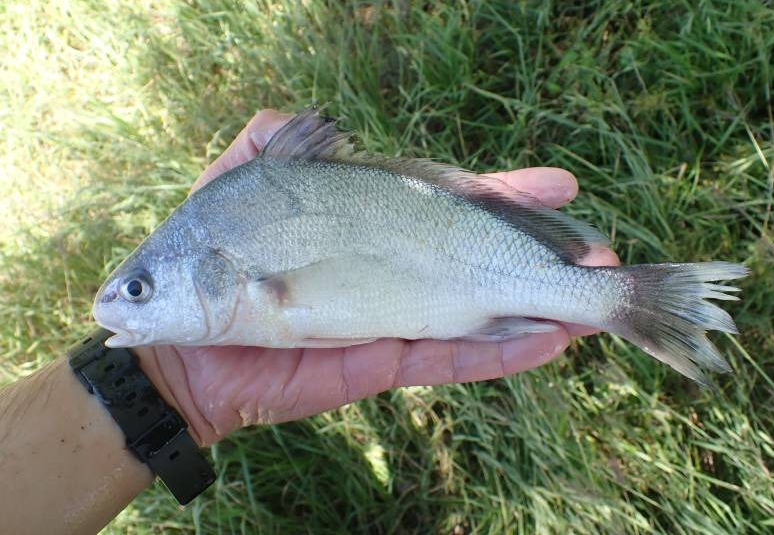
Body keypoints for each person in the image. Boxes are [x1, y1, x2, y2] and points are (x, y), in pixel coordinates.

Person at [0, 110, 619, 534]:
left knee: (580, 290)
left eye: (140, 289)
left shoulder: (234, 250)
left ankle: (622, 300)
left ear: (213, 268)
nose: (120, 307)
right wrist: (160, 389)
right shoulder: (221, 255)